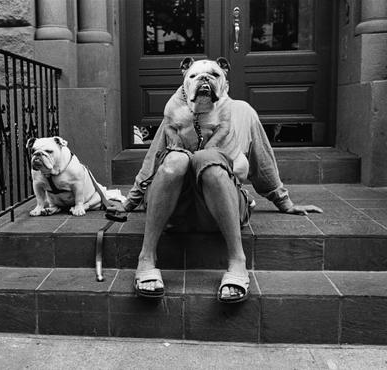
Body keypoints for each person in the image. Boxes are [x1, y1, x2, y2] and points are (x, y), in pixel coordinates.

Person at [108, 57, 322, 303]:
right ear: (185, 84)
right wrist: (129, 203)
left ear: (226, 84)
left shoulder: (242, 112)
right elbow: (153, 161)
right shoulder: (178, 113)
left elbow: (262, 163)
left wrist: (284, 202)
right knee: (175, 160)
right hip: (175, 209)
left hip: (220, 207)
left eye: (213, 75)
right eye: (196, 76)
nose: (204, 81)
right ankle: (146, 256)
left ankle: (237, 260)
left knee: (210, 160)